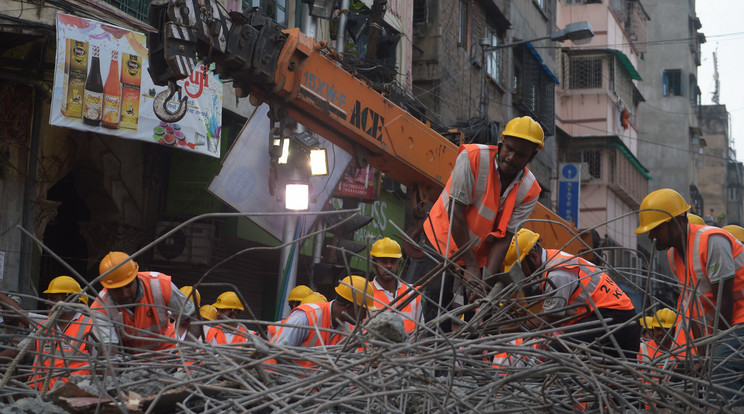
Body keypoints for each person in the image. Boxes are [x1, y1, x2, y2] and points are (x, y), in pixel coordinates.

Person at [408, 116, 544, 332]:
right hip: (442, 238)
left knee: (476, 312)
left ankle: (466, 360)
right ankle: (430, 356)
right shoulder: (473, 157)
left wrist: (485, 280)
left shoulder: (530, 189)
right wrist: (470, 266)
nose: (511, 157)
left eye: (521, 154)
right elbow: (457, 212)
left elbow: (506, 236)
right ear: (502, 141)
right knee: (436, 301)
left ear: (532, 155)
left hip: (479, 253)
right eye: (509, 148)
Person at [635, 188, 744, 405]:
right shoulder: (674, 255)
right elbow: (693, 307)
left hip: (738, 319)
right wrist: (702, 355)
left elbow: (725, 299)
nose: (651, 236)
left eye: (656, 229)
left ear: (677, 221)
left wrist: (712, 354)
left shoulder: (712, 241)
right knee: (698, 372)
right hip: (728, 324)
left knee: (721, 368)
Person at [501, 229, 640, 360]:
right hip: (623, 319)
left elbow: (549, 317)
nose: (521, 274)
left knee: (554, 355)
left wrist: (513, 329)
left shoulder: (557, 273)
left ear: (533, 256)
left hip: (614, 319)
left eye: (520, 267)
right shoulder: (552, 258)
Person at [1, 276, 98, 390]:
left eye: (53, 299)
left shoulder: (90, 326)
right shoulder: (45, 326)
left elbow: (98, 367)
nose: (47, 303)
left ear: (69, 299)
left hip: (73, 397)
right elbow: (18, 350)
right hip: (40, 395)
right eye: (48, 298)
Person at [91, 251, 195, 355]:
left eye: (128, 286)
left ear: (136, 277)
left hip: (167, 356)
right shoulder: (100, 308)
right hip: (132, 362)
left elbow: (193, 317)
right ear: (107, 288)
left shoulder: (160, 285)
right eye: (117, 289)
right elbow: (110, 353)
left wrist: (187, 350)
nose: (125, 294)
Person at [271, 275, 374, 351]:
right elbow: (277, 353)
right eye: (363, 311)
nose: (365, 316)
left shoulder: (349, 330)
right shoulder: (306, 317)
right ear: (348, 307)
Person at [368, 237, 422, 334]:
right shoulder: (365, 293)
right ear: (374, 265)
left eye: (393, 261)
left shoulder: (412, 293)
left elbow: (421, 332)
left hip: (408, 349)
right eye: (384, 261)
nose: (389, 266)